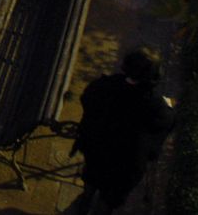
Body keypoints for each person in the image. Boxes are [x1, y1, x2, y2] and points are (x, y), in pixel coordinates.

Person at [74, 48, 177, 212]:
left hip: (98, 149)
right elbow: (164, 126)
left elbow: (88, 98)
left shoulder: (107, 86)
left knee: (92, 177)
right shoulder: (156, 107)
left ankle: (84, 202)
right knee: (110, 197)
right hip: (126, 164)